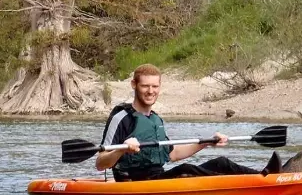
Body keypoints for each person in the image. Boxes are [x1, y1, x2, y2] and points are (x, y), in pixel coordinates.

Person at [95, 63, 285, 181]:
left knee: (221, 162)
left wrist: (206, 143)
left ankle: (264, 176)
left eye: (155, 86)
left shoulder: (156, 119)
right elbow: (101, 163)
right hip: (134, 183)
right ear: (134, 85)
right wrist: (122, 149)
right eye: (145, 86)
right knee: (186, 170)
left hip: (158, 177)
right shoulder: (121, 117)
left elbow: (173, 154)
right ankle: (251, 184)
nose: (150, 91)